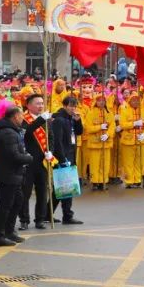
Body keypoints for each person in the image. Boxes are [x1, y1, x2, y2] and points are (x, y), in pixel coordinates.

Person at [0, 105, 33, 247]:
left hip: (12, 174)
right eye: (21, 116)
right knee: (5, 205)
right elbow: (14, 156)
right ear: (15, 116)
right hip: (8, 174)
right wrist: (28, 157)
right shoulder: (9, 133)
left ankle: (9, 231)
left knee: (17, 201)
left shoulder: (11, 131)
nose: (22, 118)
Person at [19, 93, 53, 229]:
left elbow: (51, 138)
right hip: (28, 161)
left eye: (41, 103)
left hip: (42, 161)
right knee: (25, 192)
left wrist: (51, 152)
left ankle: (40, 219)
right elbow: (26, 133)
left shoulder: (47, 120)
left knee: (42, 191)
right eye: (37, 103)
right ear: (28, 105)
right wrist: (40, 120)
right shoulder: (23, 119)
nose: (40, 106)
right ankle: (24, 220)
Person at [48, 95, 83, 224]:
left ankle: (47, 213)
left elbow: (79, 133)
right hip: (63, 158)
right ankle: (67, 216)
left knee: (61, 187)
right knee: (67, 188)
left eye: (75, 106)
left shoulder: (71, 119)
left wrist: (78, 121)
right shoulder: (59, 119)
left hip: (70, 156)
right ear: (64, 106)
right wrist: (62, 159)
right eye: (71, 106)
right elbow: (57, 142)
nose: (73, 108)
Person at [82, 92, 115, 190]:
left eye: (103, 100)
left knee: (105, 163)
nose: (102, 102)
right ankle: (95, 182)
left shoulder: (109, 113)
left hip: (106, 142)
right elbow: (88, 128)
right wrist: (99, 127)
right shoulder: (91, 113)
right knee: (95, 163)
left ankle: (103, 181)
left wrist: (107, 134)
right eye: (99, 100)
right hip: (94, 143)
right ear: (96, 102)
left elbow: (112, 126)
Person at [117, 93, 144, 189]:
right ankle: (129, 180)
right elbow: (123, 124)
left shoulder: (143, 112)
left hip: (141, 139)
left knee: (140, 161)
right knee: (128, 162)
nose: (135, 102)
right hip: (128, 140)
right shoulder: (124, 111)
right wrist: (134, 123)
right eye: (133, 100)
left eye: (137, 100)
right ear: (129, 101)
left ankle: (138, 180)